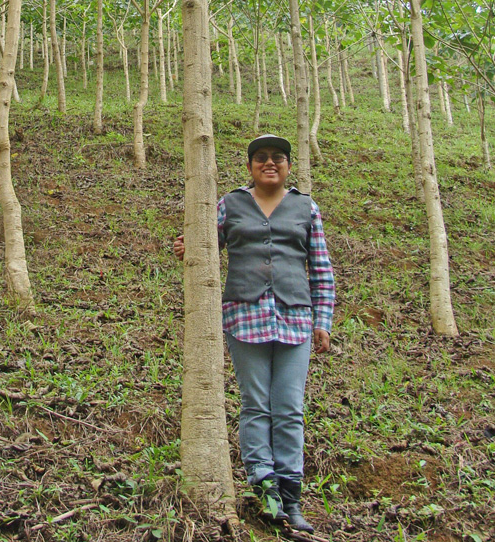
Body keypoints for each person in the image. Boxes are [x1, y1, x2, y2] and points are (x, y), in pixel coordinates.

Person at [173, 134, 335, 533]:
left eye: (277, 158)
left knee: (289, 406)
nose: (269, 163)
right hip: (244, 316)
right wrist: (188, 247)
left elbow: (322, 270)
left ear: (287, 166)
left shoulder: (305, 206)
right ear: (249, 166)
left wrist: (323, 322)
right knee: (255, 403)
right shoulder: (230, 203)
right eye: (260, 158)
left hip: (295, 318)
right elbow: (208, 244)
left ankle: (292, 495)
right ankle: (266, 489)